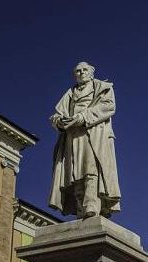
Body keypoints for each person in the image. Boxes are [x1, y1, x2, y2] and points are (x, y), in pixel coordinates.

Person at [48, 62, 121, 218]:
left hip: (94, 133)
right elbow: (56, 115)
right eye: (78, 71)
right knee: (74, 173)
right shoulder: (70, 93)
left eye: (84, 70)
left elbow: (109, 107)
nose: (81, 73)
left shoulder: (102, 87)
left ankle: (92, 206)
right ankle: (81, 209)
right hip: (72, 136)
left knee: (91, 169)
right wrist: (59, 122)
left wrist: (82, 117)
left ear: (92, 72)